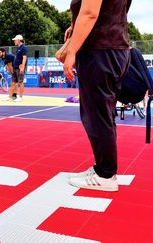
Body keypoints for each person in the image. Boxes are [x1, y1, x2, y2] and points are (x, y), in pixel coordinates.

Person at [64, 0, 131, 192]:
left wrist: (71, 52)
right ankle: (103, 167)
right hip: (116, 49)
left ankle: (106, 174)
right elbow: (111, 12)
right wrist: (75, 26)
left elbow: (90, 14)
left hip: (99, 51)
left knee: (97, 116)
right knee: (104, 115)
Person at [11, 34, 27, 102]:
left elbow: (24, 57)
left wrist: (22, 67)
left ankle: (21, 97)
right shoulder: (18, 47)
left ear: (19, 40)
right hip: (15, 67)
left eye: (15, 40)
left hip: (19, 67)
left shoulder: (23, 47)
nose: (14, 41)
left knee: (20, 82)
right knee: (14, 82)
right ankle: (14, 96)